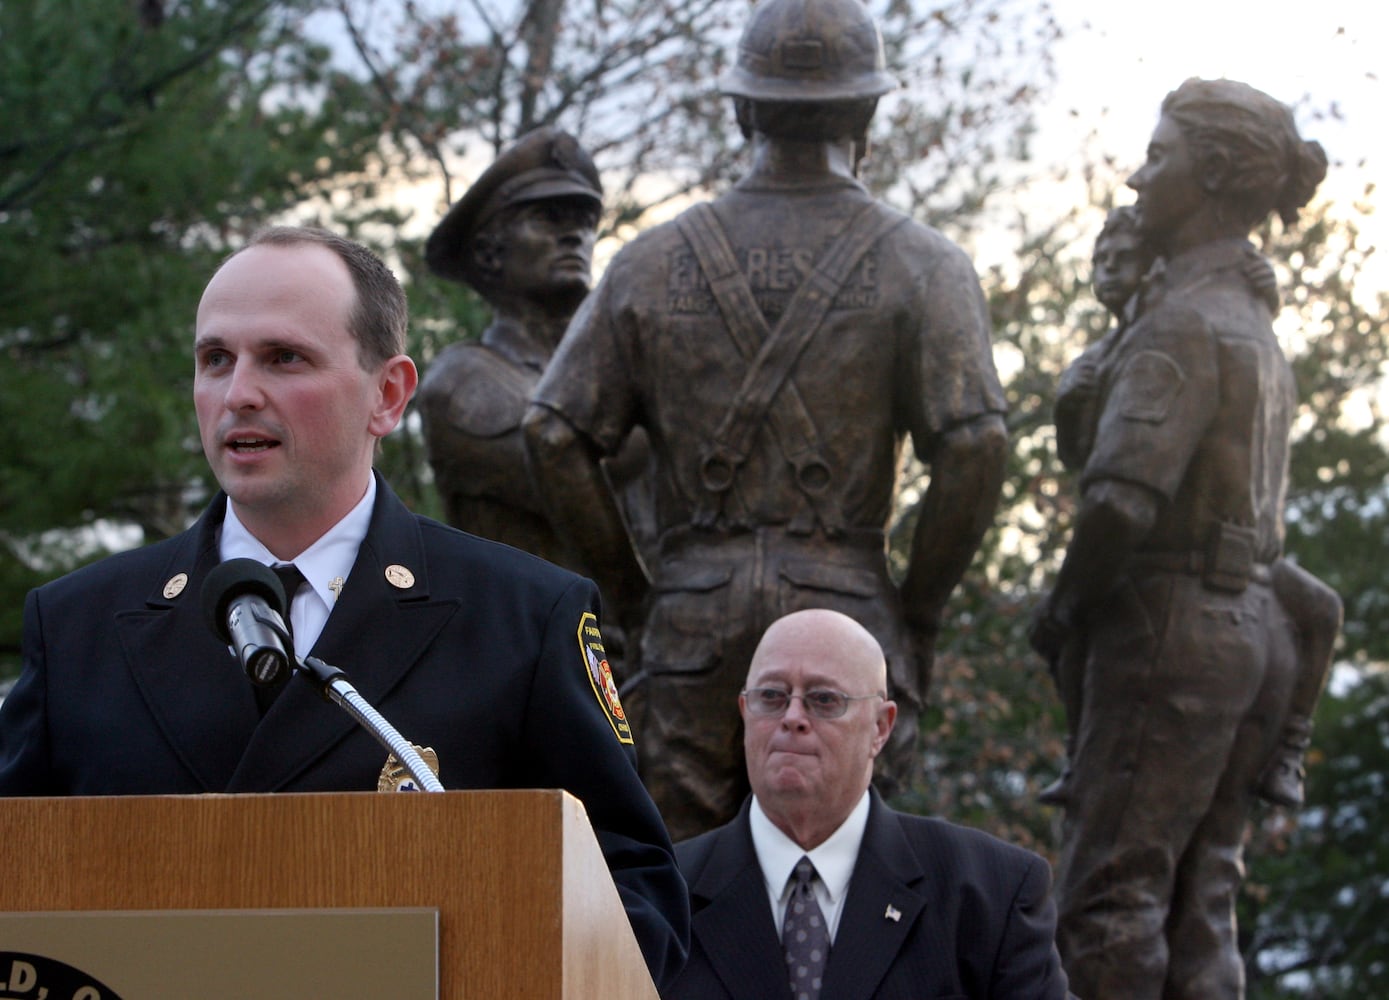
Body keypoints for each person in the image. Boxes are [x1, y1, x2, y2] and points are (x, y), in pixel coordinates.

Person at [0, 226, 689, 990]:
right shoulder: (79, 628)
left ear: (387, 395)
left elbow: (632, 893)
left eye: (283, 358)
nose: (238, 394)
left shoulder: (522, 618)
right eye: (215, 360)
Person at [524, 0, 1007, 841]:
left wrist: (638, 598)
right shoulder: (922, 263)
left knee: (683, 889)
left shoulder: (652, 261)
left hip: (690, 617)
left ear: (742, 109)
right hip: (848, 616)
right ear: (867, 112)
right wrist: (916, 611)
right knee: (852, 891)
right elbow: (974, 442)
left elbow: (553, 432)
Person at [1028, 79, 1334, 998]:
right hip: (1251, 630)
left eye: (1156, 159)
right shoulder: (1253, 329)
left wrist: (1062, 610)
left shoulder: (1182, 326)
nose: (1134, 179)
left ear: (1206, 174)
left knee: (1109, 898)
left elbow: (1122, 502)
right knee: (1202, 898)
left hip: (1167, 630)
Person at [665, 608, 1070, 999]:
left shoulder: (989, 895)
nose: (792, 717)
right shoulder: (661, 897)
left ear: (881, 727)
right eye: (771, 696)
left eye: (824, 700)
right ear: (744, 712)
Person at [419, 126, 656, 577]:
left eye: (584, 221)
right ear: (489, 253)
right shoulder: (462, 382)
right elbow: (571, 472)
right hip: (533, 641)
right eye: (550, 218)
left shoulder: (608, 370)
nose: (575, 235)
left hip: (637, 641)